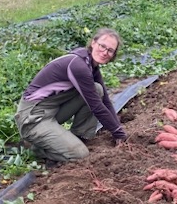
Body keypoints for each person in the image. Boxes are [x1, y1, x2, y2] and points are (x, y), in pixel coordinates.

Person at [15, 28, 128, 164]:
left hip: (50, 111)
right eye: (102, 46)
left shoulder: (91, 66)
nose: (105, 52)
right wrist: (117, 133)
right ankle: (35, 148)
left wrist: (119, 129)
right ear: (93, 43)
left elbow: (105, 101)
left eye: (110, 50)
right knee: (80, 155)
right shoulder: (78, 65)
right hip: (32, 118)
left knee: (97, 89)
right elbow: (96, 107)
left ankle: (79, 137)